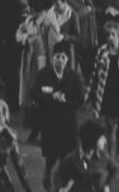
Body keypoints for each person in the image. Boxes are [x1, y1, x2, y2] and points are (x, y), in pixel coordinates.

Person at [30, 40, 84, 189]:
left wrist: (65, 101)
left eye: (63, 57)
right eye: (57, 57)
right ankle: (47, 174)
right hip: (50, 123)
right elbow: (34, 93)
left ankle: (61, 186)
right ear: (52, 58)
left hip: (68, 124)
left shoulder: (73, 76)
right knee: (51, 158)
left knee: (66, 159)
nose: (60, 60)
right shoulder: (44, 74)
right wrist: (51, 97)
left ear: (68, 59)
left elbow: (80, 99)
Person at [87, 21, 119, 158]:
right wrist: (91, 92)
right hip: (107, 92)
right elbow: (95, 73)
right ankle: (110, 153)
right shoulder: (102, 51)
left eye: (113, 34)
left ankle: (118, 148)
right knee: (109, 125)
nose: (110, 37)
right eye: (108, 35)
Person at [54, 119, 118, 192]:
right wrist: (60, 188)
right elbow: (57, 175)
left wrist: (107, 185)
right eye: (101, 138)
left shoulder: (103, 156)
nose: (105, 141)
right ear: (93, 141)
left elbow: (114, 168)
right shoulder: (72, 158)